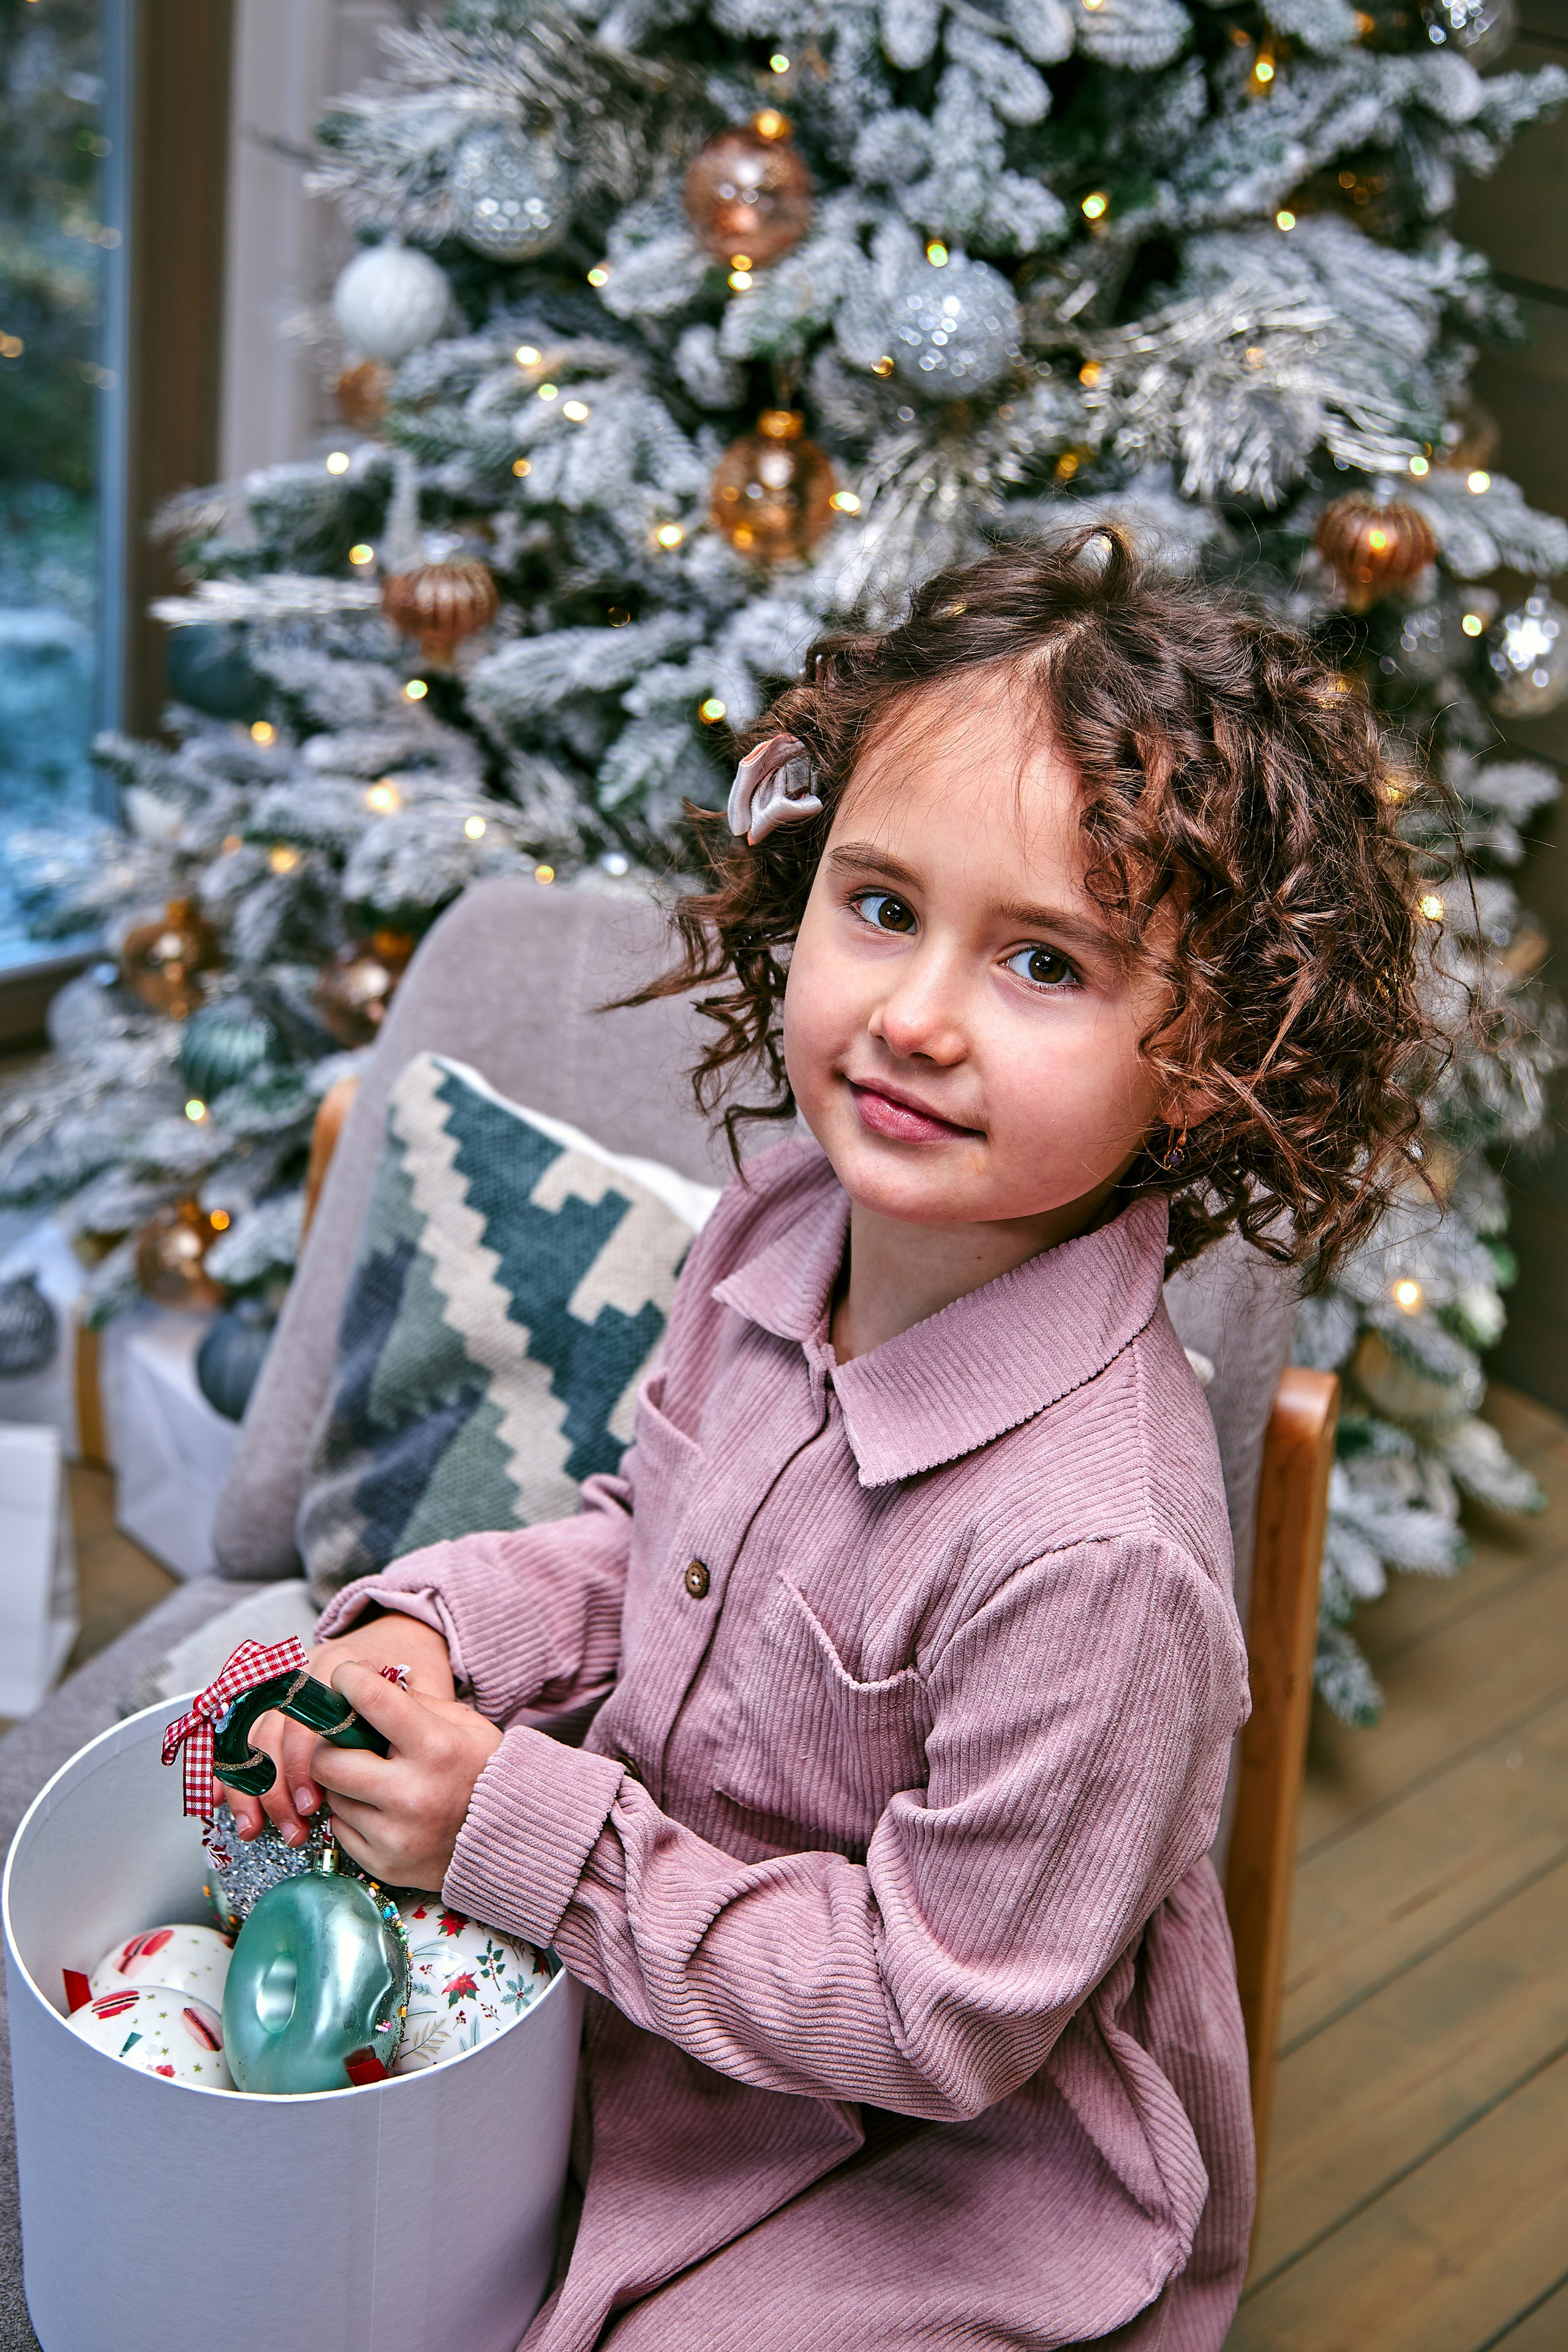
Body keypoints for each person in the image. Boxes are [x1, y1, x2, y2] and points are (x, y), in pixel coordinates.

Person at [230, 529, 1437, 2350]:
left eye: (1044, 960)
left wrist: (523, 1832)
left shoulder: (1099, 1546)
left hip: (940, 2160)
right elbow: (652, 1536)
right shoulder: (779, 1229)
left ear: (1202, 1056)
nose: (917, 1017)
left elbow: (936, 2015)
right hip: (662, 1990)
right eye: (881, 906)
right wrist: (444, 1630)